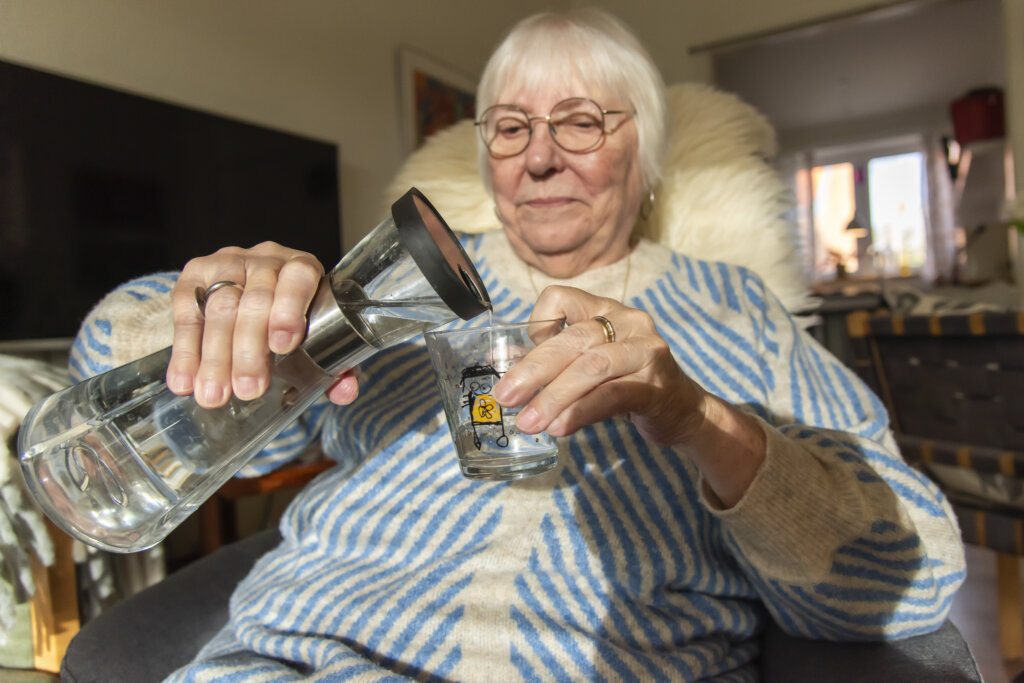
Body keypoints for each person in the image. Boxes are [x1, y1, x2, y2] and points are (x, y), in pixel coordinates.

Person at [67, 8, 965, 681]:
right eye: (508, 126)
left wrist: (694, 415)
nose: (538, 158)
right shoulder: (401, 281)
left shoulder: (736, 308)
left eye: (580, 122)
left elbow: (910, 565)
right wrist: (214, 316)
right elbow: (108, 368)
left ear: (644, 156)